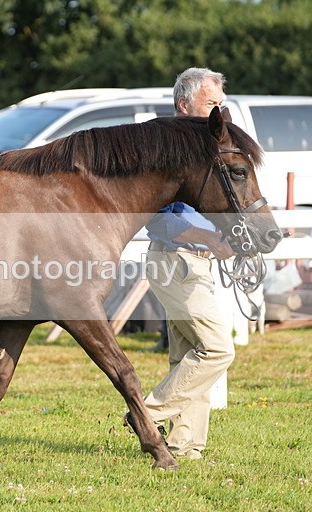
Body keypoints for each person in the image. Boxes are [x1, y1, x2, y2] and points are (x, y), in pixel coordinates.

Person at [124, 67, 236, 460]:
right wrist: (206, 237)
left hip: (197, 262)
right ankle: (146, 414)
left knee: (188, 355)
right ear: (184, 103)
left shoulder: (209, 147)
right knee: (218, 349)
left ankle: (184, 445)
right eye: (211, 103)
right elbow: (156, 217)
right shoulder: (163, 148)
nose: (219, 111)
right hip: (174, 261)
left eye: (221, 104)